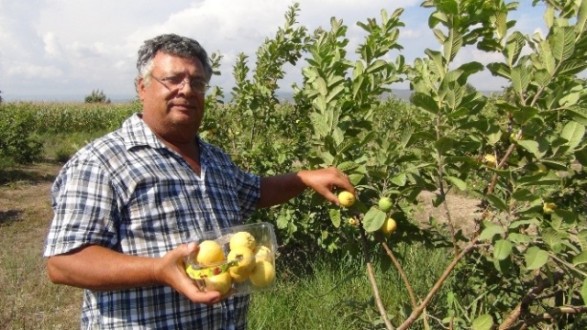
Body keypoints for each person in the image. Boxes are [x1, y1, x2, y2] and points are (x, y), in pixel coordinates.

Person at [43, 33, 355, 329]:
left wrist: (302, 178)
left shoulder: (215, 159)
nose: (187, 89)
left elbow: (255, 191)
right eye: (172, 79)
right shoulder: (102, 161)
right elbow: (65, 262)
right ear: (142, 87)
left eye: (197, 82)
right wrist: (158, 271)